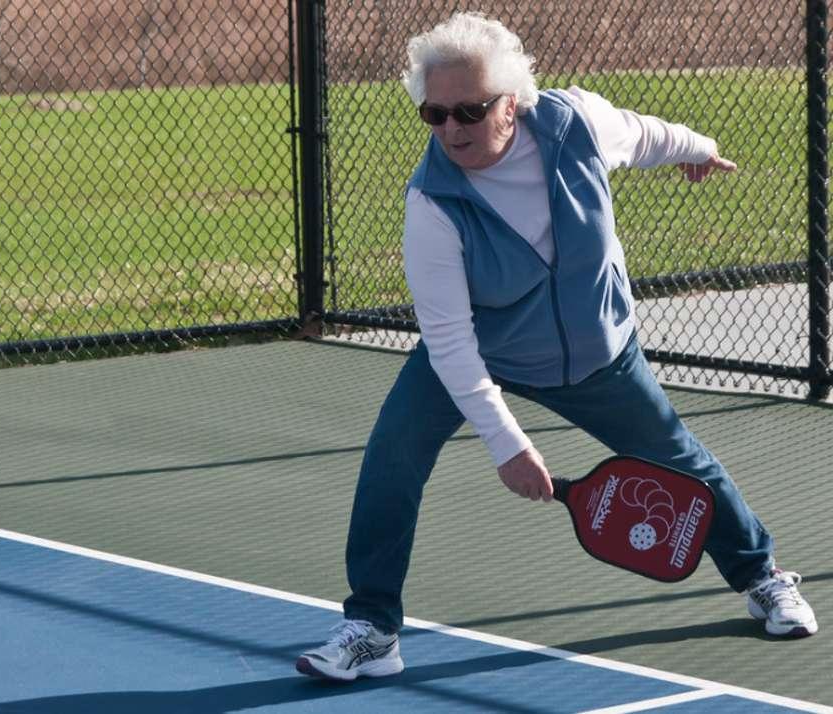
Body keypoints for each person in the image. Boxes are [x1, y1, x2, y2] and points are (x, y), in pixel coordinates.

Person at [295, 11, 818, 682]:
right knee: (391, 460)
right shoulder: (432, 203)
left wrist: (697, 146)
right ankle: (372, 628)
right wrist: (508, 445)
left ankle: (761, 576)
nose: (452, 128)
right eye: (435, 115)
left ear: (512, 102)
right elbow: (450, 341)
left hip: (598, 356)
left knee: (679, 462)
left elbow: (645, 133)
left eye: (470, 110)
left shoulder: (575, 126)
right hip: (481, 352)